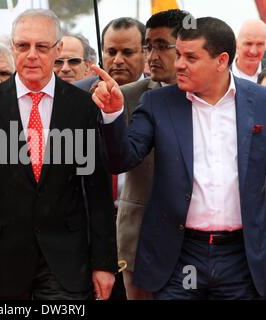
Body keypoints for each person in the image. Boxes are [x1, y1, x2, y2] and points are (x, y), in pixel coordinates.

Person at [0, 9, 117, 300]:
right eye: (23, 46)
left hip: (65, 264)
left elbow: (97, 193)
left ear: (57, 50)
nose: (31, 55)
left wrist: (104, 263)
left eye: (42, 47)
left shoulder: (82, 107)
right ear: (13, 48)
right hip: (0, 263)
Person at [92, 17, 266, 299]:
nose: (179, 64)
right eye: (179, 55)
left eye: (190, 57)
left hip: (243, 257)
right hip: (179, 255)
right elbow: (122, 159)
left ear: (221, 60)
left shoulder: (260, 103)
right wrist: (112, 115)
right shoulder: (158, 103)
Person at [117, 9, 190, 300]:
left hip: (195, 241)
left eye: (162, 46)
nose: (152, 55)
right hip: (139, 236)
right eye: (149, 46)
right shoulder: (124, 97)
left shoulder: (209, 99)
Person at [75, 17, 145, 92]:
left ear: (146, 53)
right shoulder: (78, 91)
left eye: (128, 53)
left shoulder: (157, 92)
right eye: (111, 53)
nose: (118, 61)